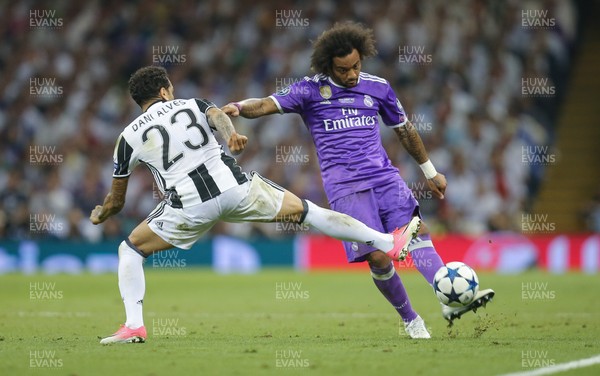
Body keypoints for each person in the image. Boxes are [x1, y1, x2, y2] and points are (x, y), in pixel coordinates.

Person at [91, 65, 418, 344]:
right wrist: (232, 135)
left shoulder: (127, 138)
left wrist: (103, 212)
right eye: (171, 89)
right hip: (235, 190)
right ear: (164, 92)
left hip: (188, 207)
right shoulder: (192, 104)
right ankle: (388, 241)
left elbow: (116, 200)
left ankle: (134, 324)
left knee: (130, 251)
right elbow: (218, 115)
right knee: (308, 212)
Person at [222, 21, 494, 334]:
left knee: (417, 231)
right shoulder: (309, 90)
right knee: (378, 257)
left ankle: (448, 296)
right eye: (343, 70)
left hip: (384, 177)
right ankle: (411, 320)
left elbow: (404, 129)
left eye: (356, 66)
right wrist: (239, 107)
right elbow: (266, 103)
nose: (351, 75)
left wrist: (430, 172)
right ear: (328, 66)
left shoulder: (378, 87)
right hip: (345, 187)